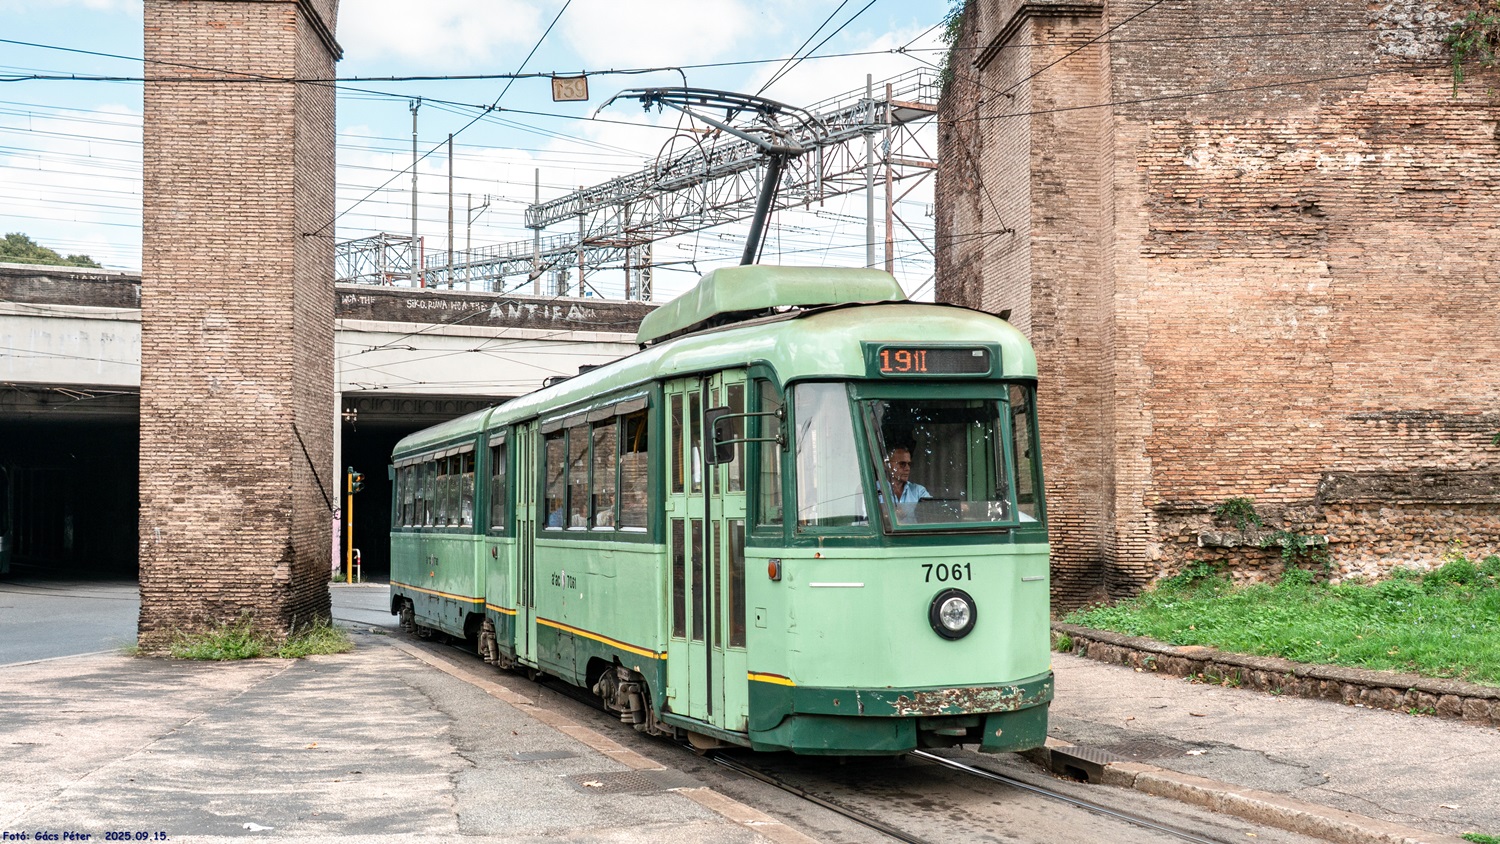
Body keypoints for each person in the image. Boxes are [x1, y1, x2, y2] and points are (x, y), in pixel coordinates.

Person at [885, 445, 930, 521]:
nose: (907, 468)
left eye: (909, 464)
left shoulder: (919, 491)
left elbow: (933, 512)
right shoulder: (873, 490)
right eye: (902, 464)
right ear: (887, 465)